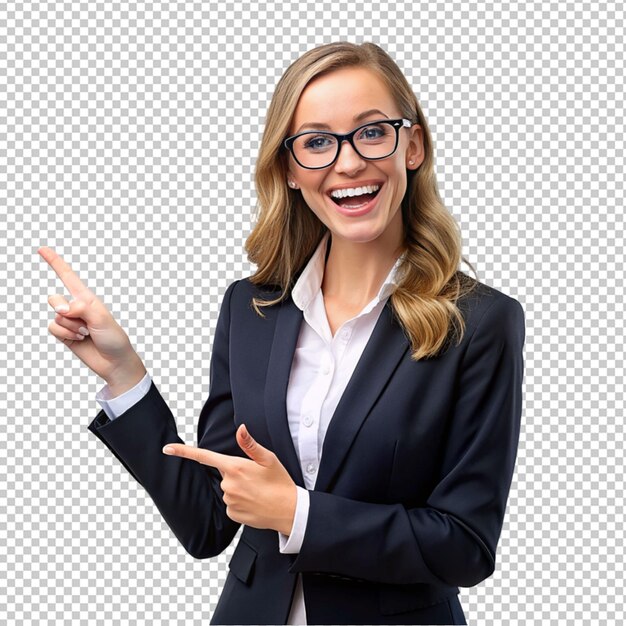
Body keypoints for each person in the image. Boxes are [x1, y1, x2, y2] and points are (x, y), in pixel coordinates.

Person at [39, 41, 525, 625]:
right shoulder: (252, 308)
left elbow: (465, 544)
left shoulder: (479, 322)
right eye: (316, 142)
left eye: (372, 132)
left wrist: (299, 513)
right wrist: (124, 375)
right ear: (290, 170)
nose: (347, 164)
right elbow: (208, 523)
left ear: (412, 145)